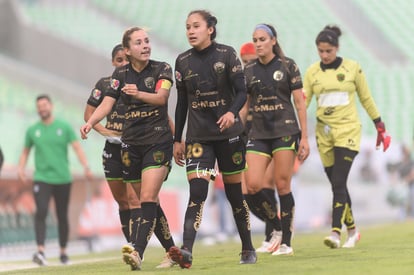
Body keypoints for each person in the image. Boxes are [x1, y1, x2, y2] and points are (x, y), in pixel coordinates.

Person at [80, 27, 175, 271]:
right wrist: (90, 123)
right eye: (139, 42)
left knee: (145, 198)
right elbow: (107, 103)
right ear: (127, 49)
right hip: (130, 145)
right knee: (149, 202)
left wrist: (139, 93)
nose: (145, 46)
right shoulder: (119, 74)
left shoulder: (162, 68)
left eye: (147, 41)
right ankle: (173, 251)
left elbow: (162, 99)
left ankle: (137, 252)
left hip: (157, 140)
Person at [169, 9, 256, 268]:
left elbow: (242, 91)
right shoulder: (182, 61)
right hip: (198, 138)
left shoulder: (227, 55)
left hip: (229, 136)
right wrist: (177, 139)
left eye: (196, 26)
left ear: (210, 29)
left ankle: (248, 248)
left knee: (234, 196)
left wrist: (231, 112)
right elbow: (182, 103)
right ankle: (186, 250)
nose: (190, 31)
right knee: (197, 192)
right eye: (187, 27)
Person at [303, 25, 391, 249]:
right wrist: (297, 129)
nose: (324, 55)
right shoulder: (312, 72)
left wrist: (379, 126)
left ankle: (335, 232)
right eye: (321, 51)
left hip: (348, 131)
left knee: (339, 181)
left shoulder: (353, 68)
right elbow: (303, 103)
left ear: (337, 48)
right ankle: (353, 230)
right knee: (337, 184)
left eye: (328, 51)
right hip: (324, 134)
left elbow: (366, 98)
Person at [241, 23, 309, 256]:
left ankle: (287, 243)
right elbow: (245, 107)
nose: (259, 43)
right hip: (258, 134)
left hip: (284, 131)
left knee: (282, 186)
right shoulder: (248, 70)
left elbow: (300, 104)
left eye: (262, 39)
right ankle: (277, 227)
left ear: (273, 41)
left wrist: (305, 138)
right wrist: (232, 130)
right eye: (255, 40)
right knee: (252, 186)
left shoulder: (288, 66)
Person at [17, 94, 93, 266]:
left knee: (61, 215)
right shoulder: (32, 130)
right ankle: (41, 251)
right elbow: (25, 151)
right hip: (41, 178)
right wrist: (20, 168)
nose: (42, 108)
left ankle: (63, 252)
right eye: (39, 106)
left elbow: (77, 147)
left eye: (44, 105)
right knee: (41, 211)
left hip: (63, 178)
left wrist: (86, 166)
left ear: (50, 106)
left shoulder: (64, 127)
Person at [239, 42, 280, 253]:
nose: (247, 65)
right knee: (248, 191)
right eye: (244, 62)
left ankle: (273, 234)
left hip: (272, 137)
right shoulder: (242, 82)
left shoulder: (271, 77)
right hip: (251, 140)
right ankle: (276, 226)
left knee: (266, 185)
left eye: (250, 61)